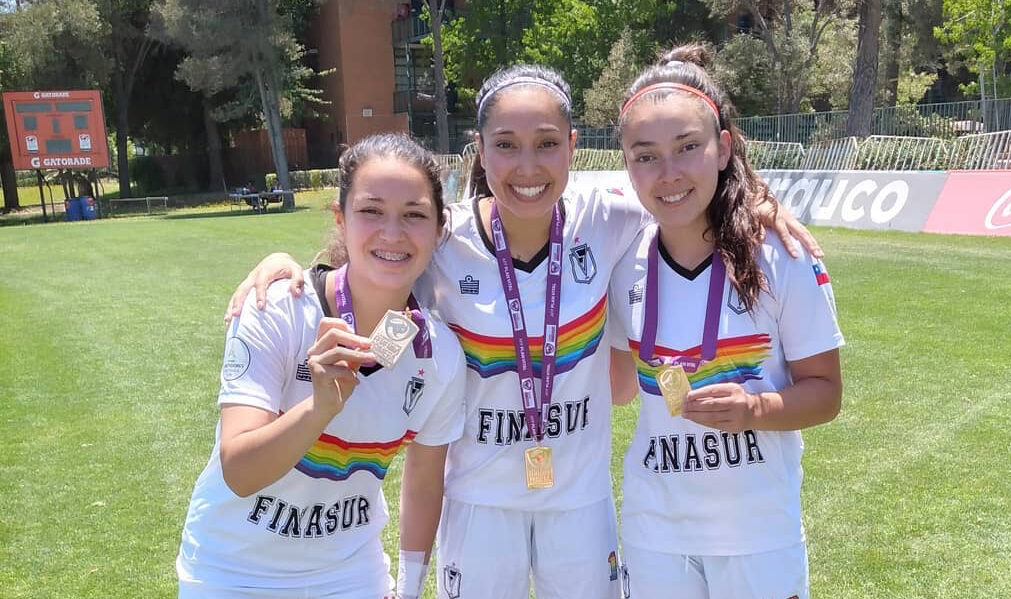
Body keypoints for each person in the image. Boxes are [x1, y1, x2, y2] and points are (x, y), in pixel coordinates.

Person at [226, 65, 821, 599]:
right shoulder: (441, 238)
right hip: (479, 504)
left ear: (573, 148)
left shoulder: (610, 218)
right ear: (479, 152)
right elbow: (377, 264)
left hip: (580, 505)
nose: (528, 167)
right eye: (506, 145)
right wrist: (291, 268)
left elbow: (683, 192)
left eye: (546, 144)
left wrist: (758, 207)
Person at [177, 133, 467, 599]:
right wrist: (317, 410)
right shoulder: (278, 309)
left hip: (350, 576)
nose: (392, 233)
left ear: (438, 230)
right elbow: (239, 471)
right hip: (233, 571)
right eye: (371, 211)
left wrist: (410, 590)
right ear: (341, 217)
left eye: (414, 215)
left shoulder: (440, 355)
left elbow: (425, 481)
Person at [608, 44, 844, 599]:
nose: (668, 174)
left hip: (758, 535)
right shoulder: (622, 260)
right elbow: (618, 390)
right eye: (646, 155)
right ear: (626, 163)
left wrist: (755, 408)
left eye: (688, 147)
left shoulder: (782, 257)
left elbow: (827, 393)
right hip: (654, 532)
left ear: (723, 148)